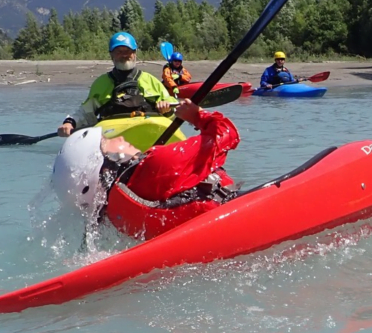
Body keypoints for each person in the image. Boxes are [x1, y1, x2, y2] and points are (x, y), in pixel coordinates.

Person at [51, 99, 240, 239]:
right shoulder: (158, 164)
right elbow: (227, 134)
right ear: (106, 163)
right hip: (230, 219)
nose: (120, 138)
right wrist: (197, 116)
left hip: (200, 234)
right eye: (107, 141)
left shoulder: (115, 216)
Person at [57, 32, 177, 136]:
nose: (124, 55)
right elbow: (85, 111)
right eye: (119, 51)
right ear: (111, 55)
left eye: (127, 51)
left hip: (148, 133)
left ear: (135, 53)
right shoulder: (101, 83)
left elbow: (174, 110)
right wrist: (70, 122)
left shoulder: (151, 81)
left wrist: (167, 109)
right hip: (112, 136)